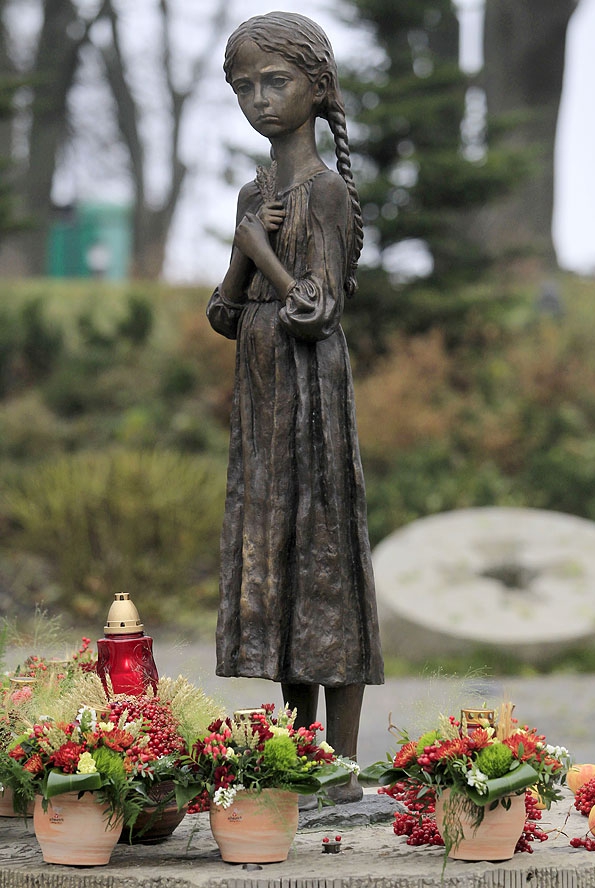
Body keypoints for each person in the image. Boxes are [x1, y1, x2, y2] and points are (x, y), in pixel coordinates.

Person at [206, 11, 384, 803]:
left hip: (312, 401)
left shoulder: (327, 193)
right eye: (245, 87)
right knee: (278, 564)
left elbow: (316, 311)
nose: (260, 99)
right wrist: (243, 254)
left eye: (275, 82)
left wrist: (260, 253)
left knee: (323, 562)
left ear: (317, 87)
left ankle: (339, 772)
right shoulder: (256, 193)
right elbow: (224, 312)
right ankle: (299, 758)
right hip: (263, 409)